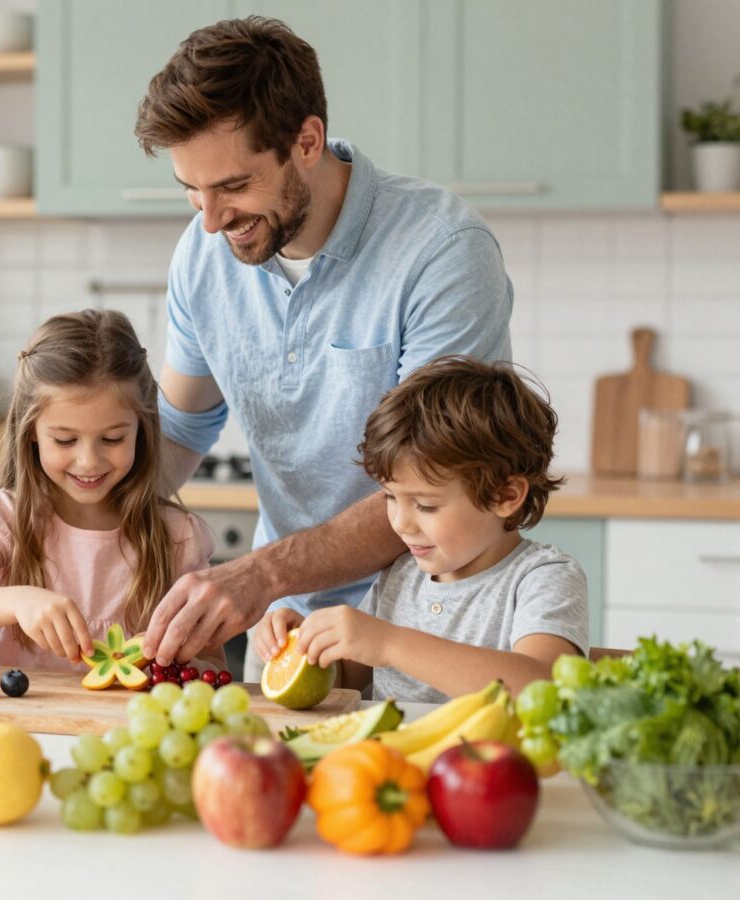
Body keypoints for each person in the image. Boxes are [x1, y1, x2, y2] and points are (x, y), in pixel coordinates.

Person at [132, 16, 515, 675]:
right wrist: (54, 525)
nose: (211, 220)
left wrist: (258, 575)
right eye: (191, 190)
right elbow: (178, 431)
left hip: (426, 633)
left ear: (307, 141)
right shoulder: (202, 255)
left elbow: (439, 482)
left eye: (233, 186)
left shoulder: (442, 251)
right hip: (285, 634)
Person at [252, 356, 588, 702]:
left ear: (505, 495)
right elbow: (345, 681)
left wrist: (389, 643)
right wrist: (308, 648)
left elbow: (541, 688)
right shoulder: (401, 575)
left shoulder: (542, 578)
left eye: (425, 505)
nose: (400, 523)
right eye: (390, 497)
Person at [0, 309, 221, 673]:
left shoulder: (177, 534)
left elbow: (213, 662)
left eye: (112, 439)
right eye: (65, 440)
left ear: (142, 429)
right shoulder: (10, 517)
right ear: (31, 432)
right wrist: (19, 601)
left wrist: (176, 662)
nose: (88, 461)